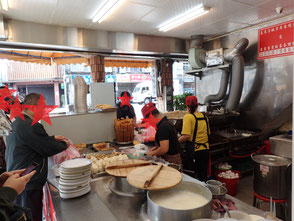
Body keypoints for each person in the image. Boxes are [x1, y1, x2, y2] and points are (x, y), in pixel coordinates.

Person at [5, 93, 69, 221]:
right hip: (28, 181)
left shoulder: (18, 120)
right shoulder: (31, 125)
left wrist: (52, 138)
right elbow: (47, 148)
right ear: (33, 107)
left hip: (17, 175)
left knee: (22, 215)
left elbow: (34, 141)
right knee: (32, 215)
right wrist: (65, 144)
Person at [178, 95, 210, 182]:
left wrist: (176, 142)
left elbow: (186, 136)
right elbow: (207, 133)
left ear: (187, 106)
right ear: (197, 105)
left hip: (194, 151)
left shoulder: (188, 117)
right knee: (203, 176)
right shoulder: (205, 117)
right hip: (205, 150)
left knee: (191, 176)